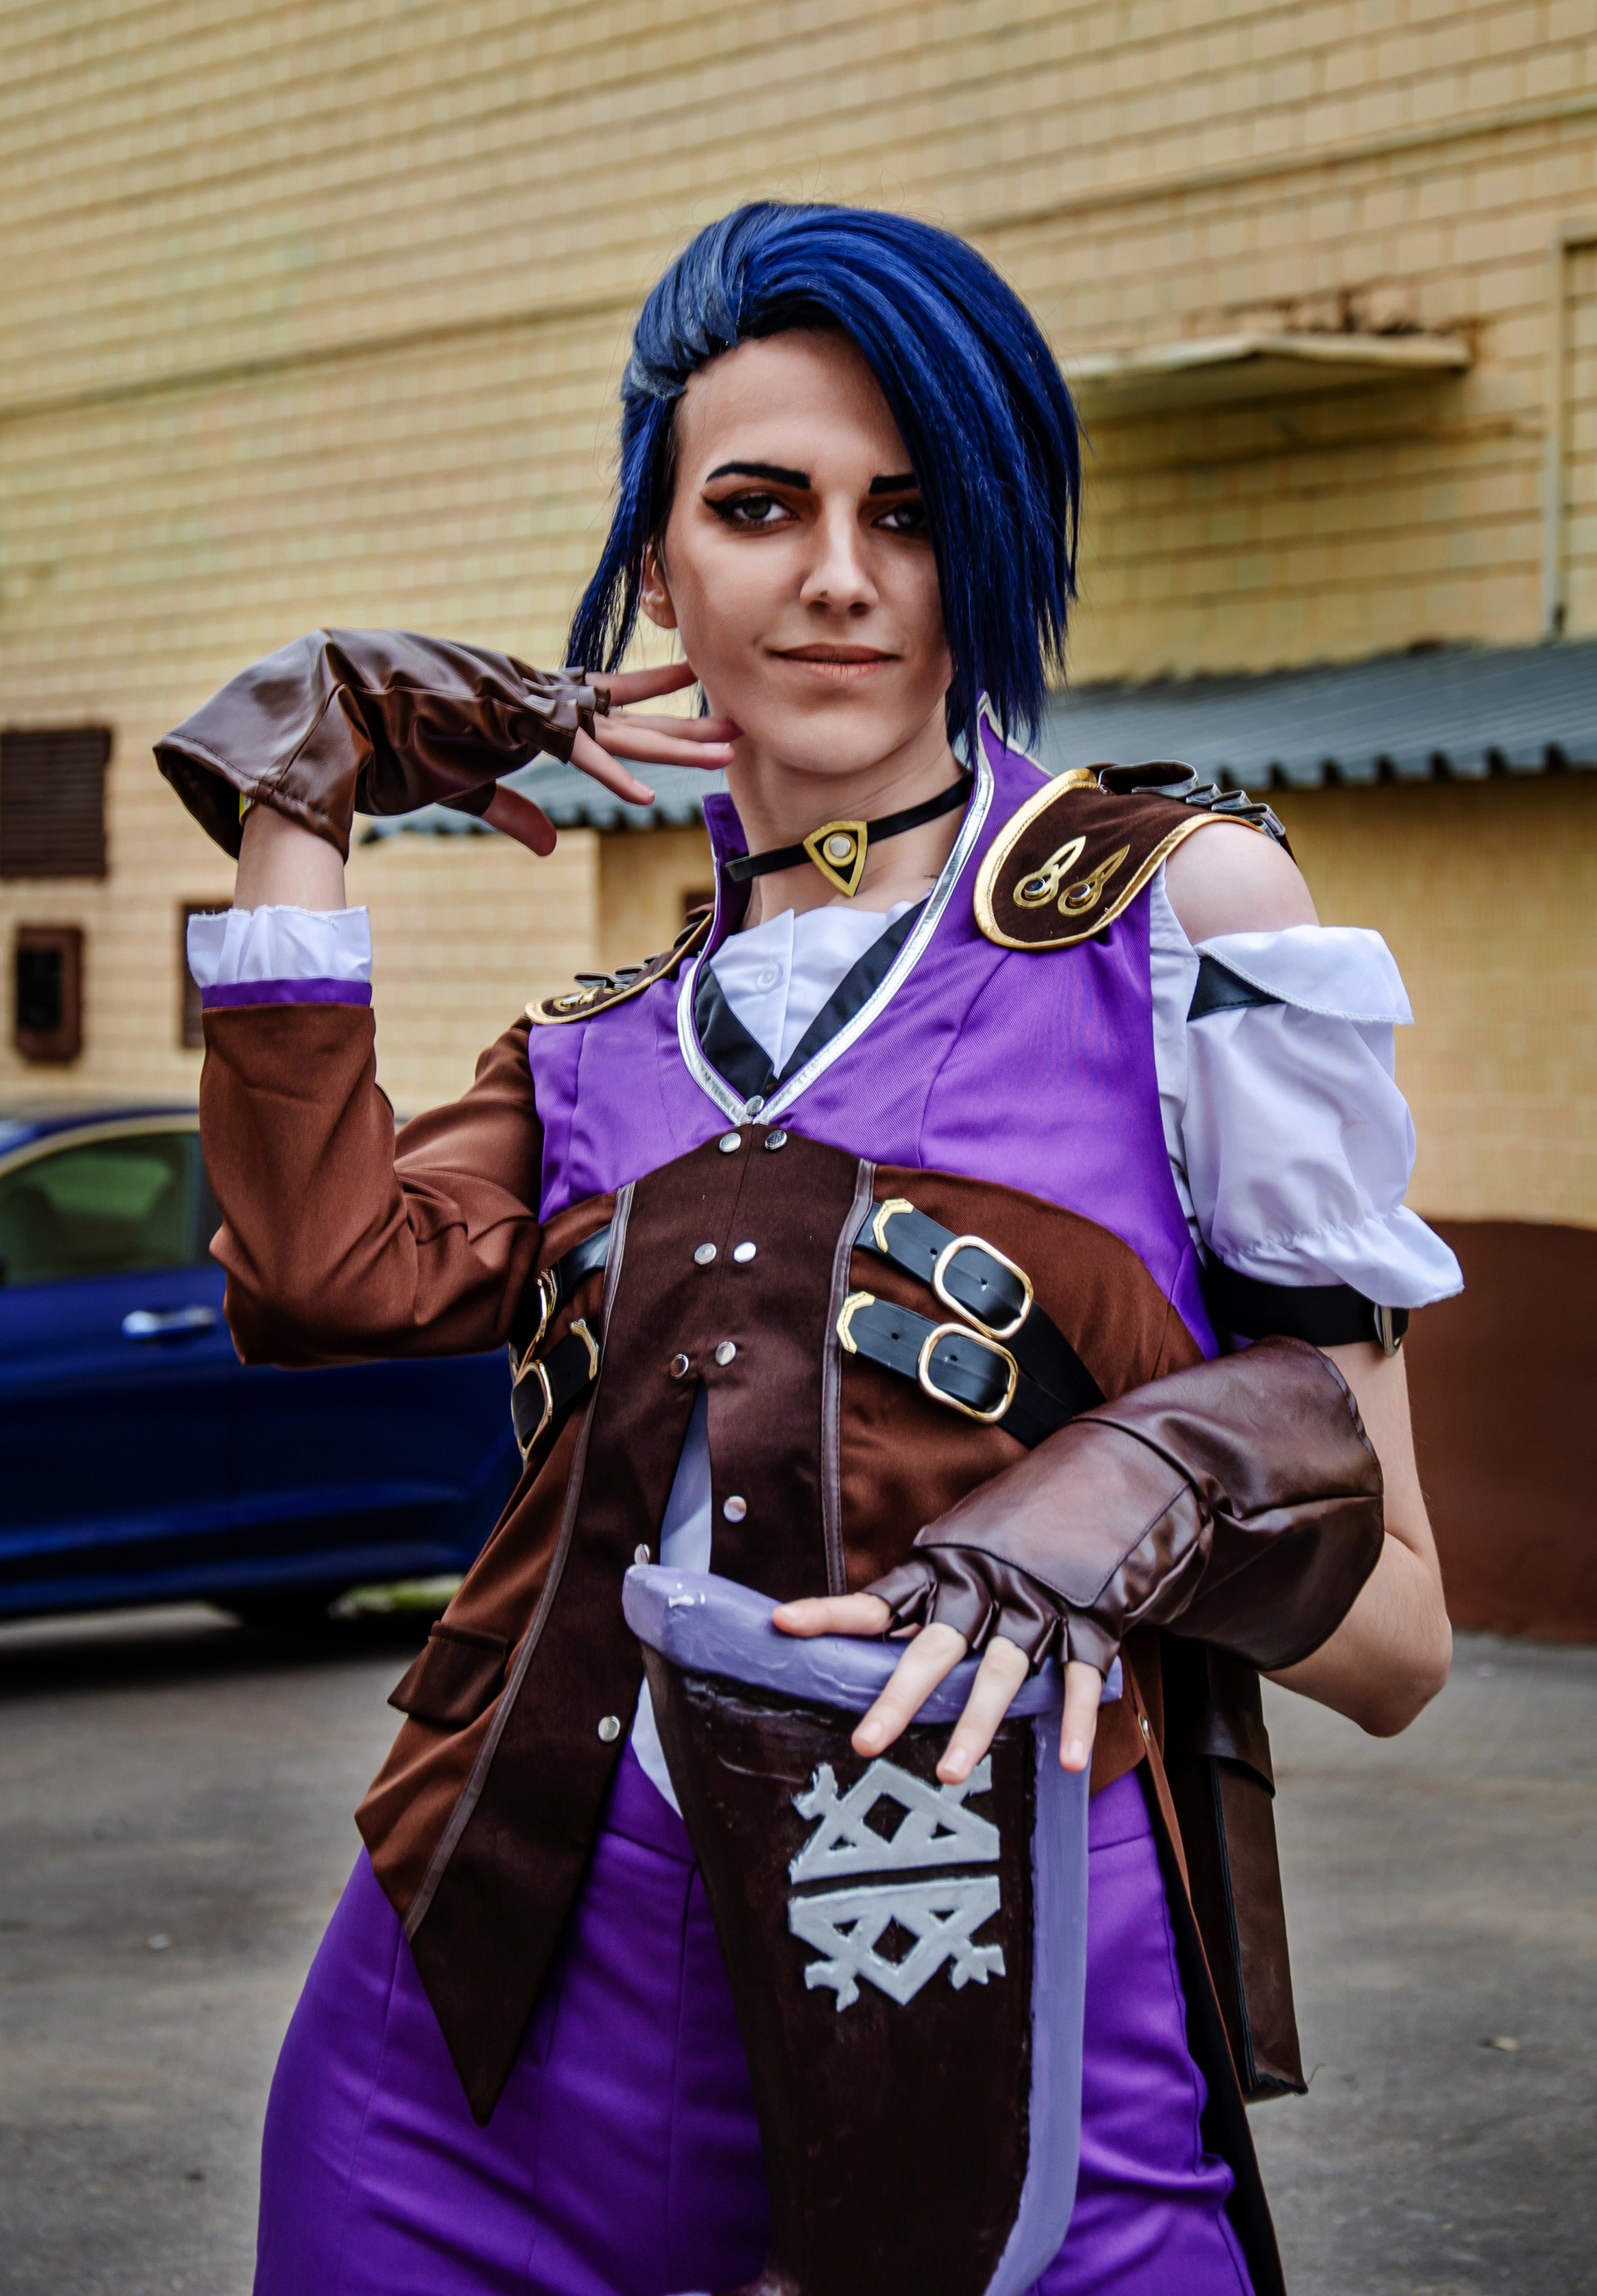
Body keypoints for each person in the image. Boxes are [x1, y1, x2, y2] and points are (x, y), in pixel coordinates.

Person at [161, 202, 1458, 2296]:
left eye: (913, 513)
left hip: (994, 2001)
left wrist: (1129, 1501)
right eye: (759, 507)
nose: (841, 576)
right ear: (659, 571)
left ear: (990, 553)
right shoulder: (599, 1039)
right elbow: (312, 1277)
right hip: (468, 2056)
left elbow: (1397, 1635)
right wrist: (304, 772)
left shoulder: (1180, 912)